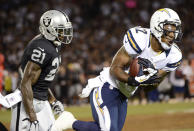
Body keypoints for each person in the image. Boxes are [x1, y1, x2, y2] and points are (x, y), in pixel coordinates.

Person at [51, 8, 182, 131]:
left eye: (175, 29)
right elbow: (115, 69)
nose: (172, 34)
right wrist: (133, 79)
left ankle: (70, 121)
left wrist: (148, 81)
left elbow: (152, 85)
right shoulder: (140, 39)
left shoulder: (174, 56)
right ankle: (71, 122)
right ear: (157, 26)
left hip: (124, 94)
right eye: (169, 29)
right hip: (108, 86)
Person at [10, 10, 73, 131]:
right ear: (49, 29)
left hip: (42, 101)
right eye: (60, 30)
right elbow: (26, 83)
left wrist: (52, 100)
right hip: (27, 102)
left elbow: (41, 79)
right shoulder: (42, 47)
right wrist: (32, 117)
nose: (63, 33)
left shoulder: (53, 45)